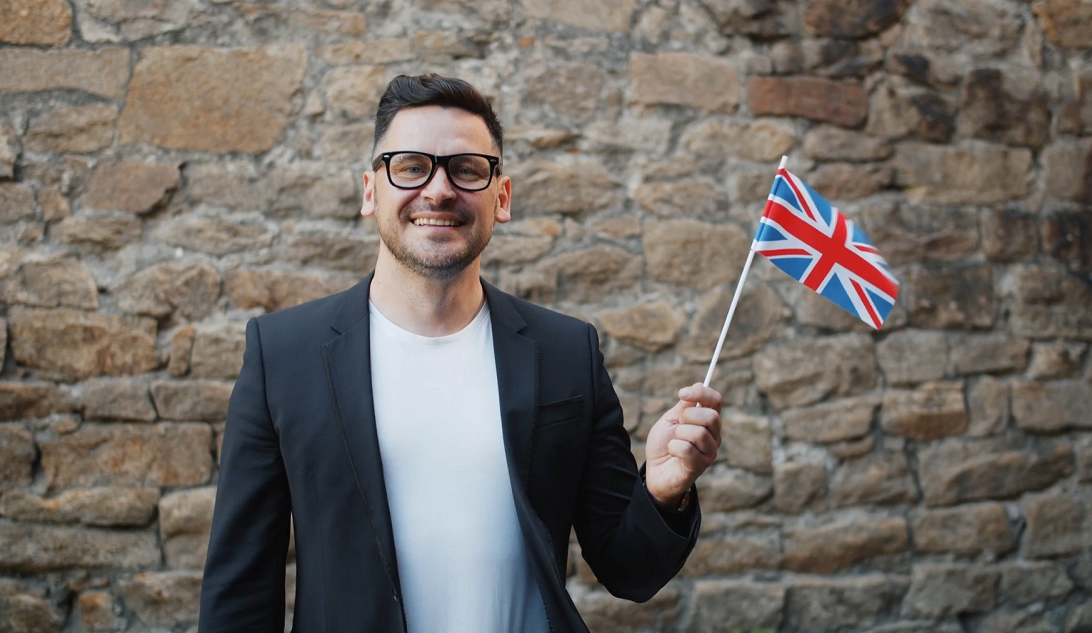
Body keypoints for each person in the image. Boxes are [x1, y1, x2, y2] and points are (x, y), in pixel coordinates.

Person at [198, 73, 723, 633]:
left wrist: (663, 491)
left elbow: (630, 571)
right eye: (409, 165)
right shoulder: (283, 356)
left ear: (502, 197)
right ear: (370, 190)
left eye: (467, 168)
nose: (439, 189)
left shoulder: (567, 351)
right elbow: (240, 589)